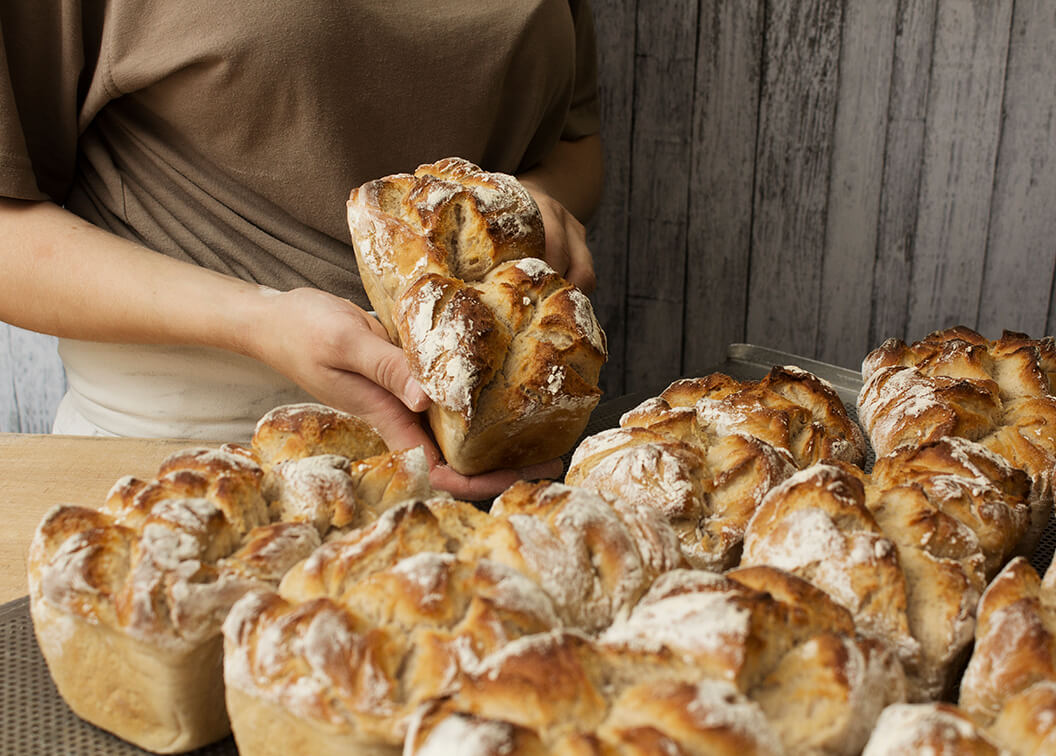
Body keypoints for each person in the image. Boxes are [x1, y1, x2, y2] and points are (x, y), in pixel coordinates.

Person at [0, 1, 604, 500]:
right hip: (194, 472)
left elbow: (577, 143)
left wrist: (528, 204)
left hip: (508, 450)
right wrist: (256, 319)